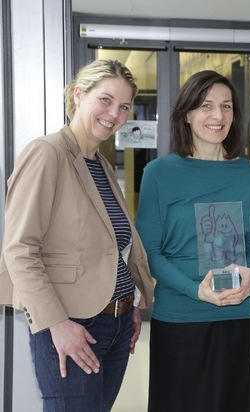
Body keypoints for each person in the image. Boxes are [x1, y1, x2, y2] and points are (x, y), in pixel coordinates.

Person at [0, 59, 154, 411]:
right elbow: (20, 249)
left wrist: (128, 302)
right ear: (78, 95)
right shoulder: (47, 153)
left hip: (115, 324)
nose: (114, 114)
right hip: (72, 324)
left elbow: (109, 246)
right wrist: (56, 324)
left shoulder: (99, 163)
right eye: (105, 100)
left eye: (124, 106)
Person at [136, 70, 250, 412]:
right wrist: (197, 291)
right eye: (206, 105)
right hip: (180, 319)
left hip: (236, 317)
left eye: (226, 106)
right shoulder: (159, 174)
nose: (217, 115)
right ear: (187, 114)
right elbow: (150, 253)